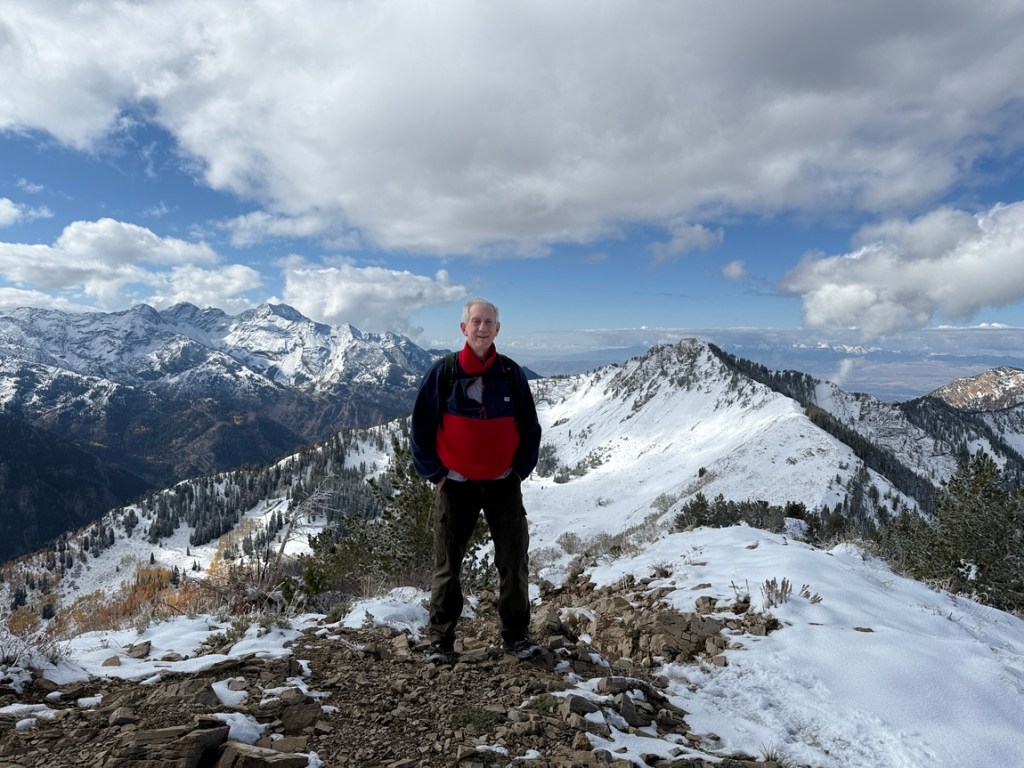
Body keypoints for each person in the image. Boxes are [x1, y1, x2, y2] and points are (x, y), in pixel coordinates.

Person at [410, 298, 542, 664]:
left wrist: (518, 471)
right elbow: (420, 427)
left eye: (489, 322)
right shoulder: (445, 372)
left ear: (498, 329)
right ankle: (441, 641)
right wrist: (436, 474)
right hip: (456, 484)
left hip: (503, 484)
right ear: (463, 328)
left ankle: (516, 637)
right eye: (476, 321)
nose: (482, 328)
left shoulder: (511, 374)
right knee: (448, 565)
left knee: (513, 561)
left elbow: (530, 428)